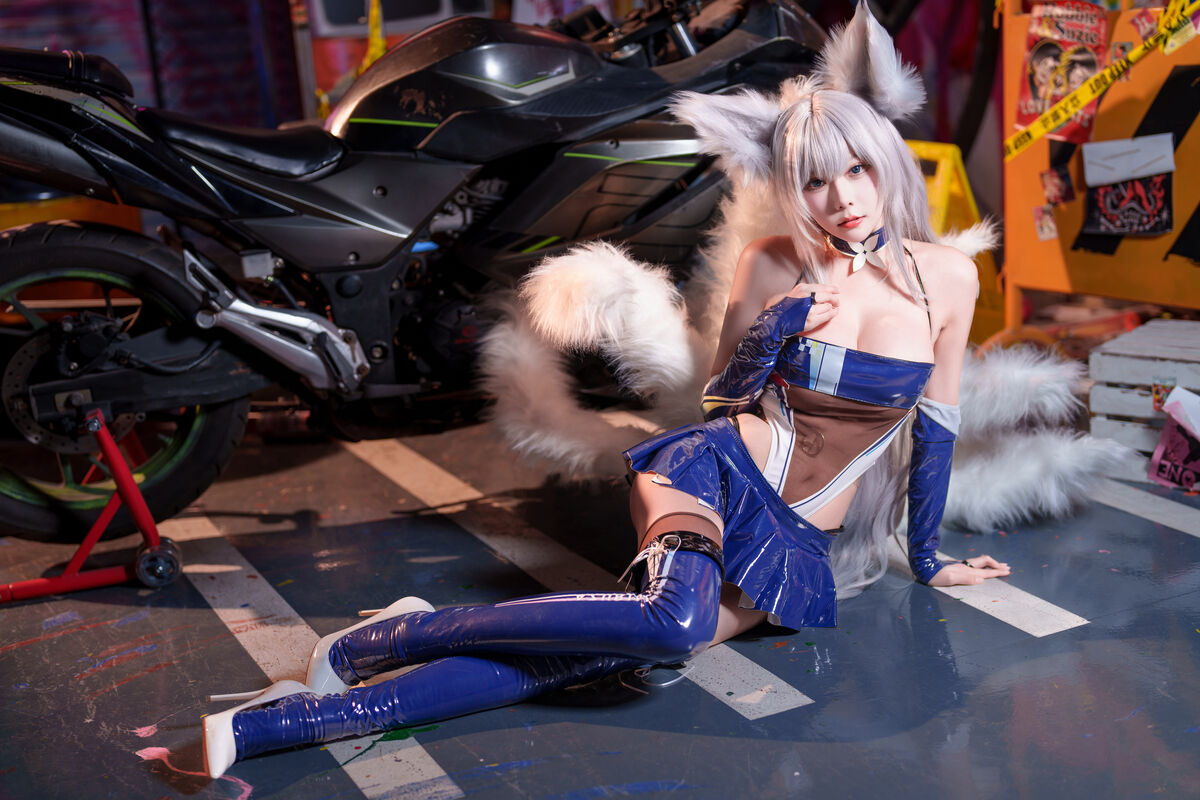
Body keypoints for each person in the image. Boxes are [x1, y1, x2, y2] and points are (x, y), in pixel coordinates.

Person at [201, 2, 1010, 778]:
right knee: (675, 623)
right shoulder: (772, 263)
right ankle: (360, 658)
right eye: (816, 182)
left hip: (797, 538)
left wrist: (929, 559)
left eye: (857, 169)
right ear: (792, 190)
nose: (843, 198)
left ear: (885, 159)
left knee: (596, 653)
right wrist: (777, 326)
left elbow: (936, 425)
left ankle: (287, 712)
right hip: (714, 473)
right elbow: (721, 401)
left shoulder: (948, 278)